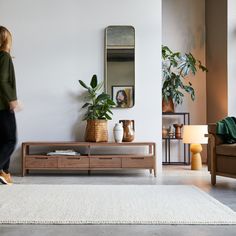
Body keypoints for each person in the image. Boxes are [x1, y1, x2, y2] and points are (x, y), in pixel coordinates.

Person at [0, 26, 18, 185]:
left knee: (2, 141)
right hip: (3, 106)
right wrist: (12, 100)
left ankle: (4, 173)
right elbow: (3, 80)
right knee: (11, 140)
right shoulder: (4, 56)